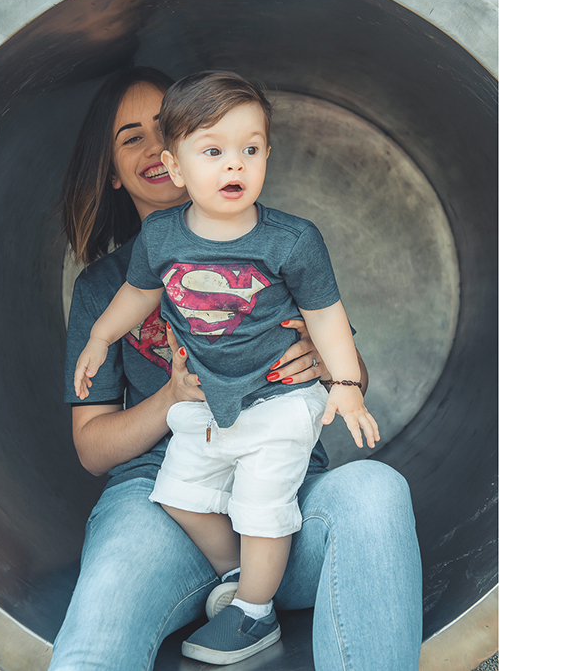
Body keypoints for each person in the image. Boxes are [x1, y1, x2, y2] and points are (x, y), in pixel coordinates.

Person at [54, 67, 422, 670]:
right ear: (117, 172)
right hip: (159, 502)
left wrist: (333, 373)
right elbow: (93, 449)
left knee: (376, 489)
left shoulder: (278, 247)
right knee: (97, 638)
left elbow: (345, 372)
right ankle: (237, 590)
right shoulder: (103, 288)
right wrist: (173, 396)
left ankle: (253, 602)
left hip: (284, 491)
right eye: (130, 138)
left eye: (165, 123)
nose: (152, 146)